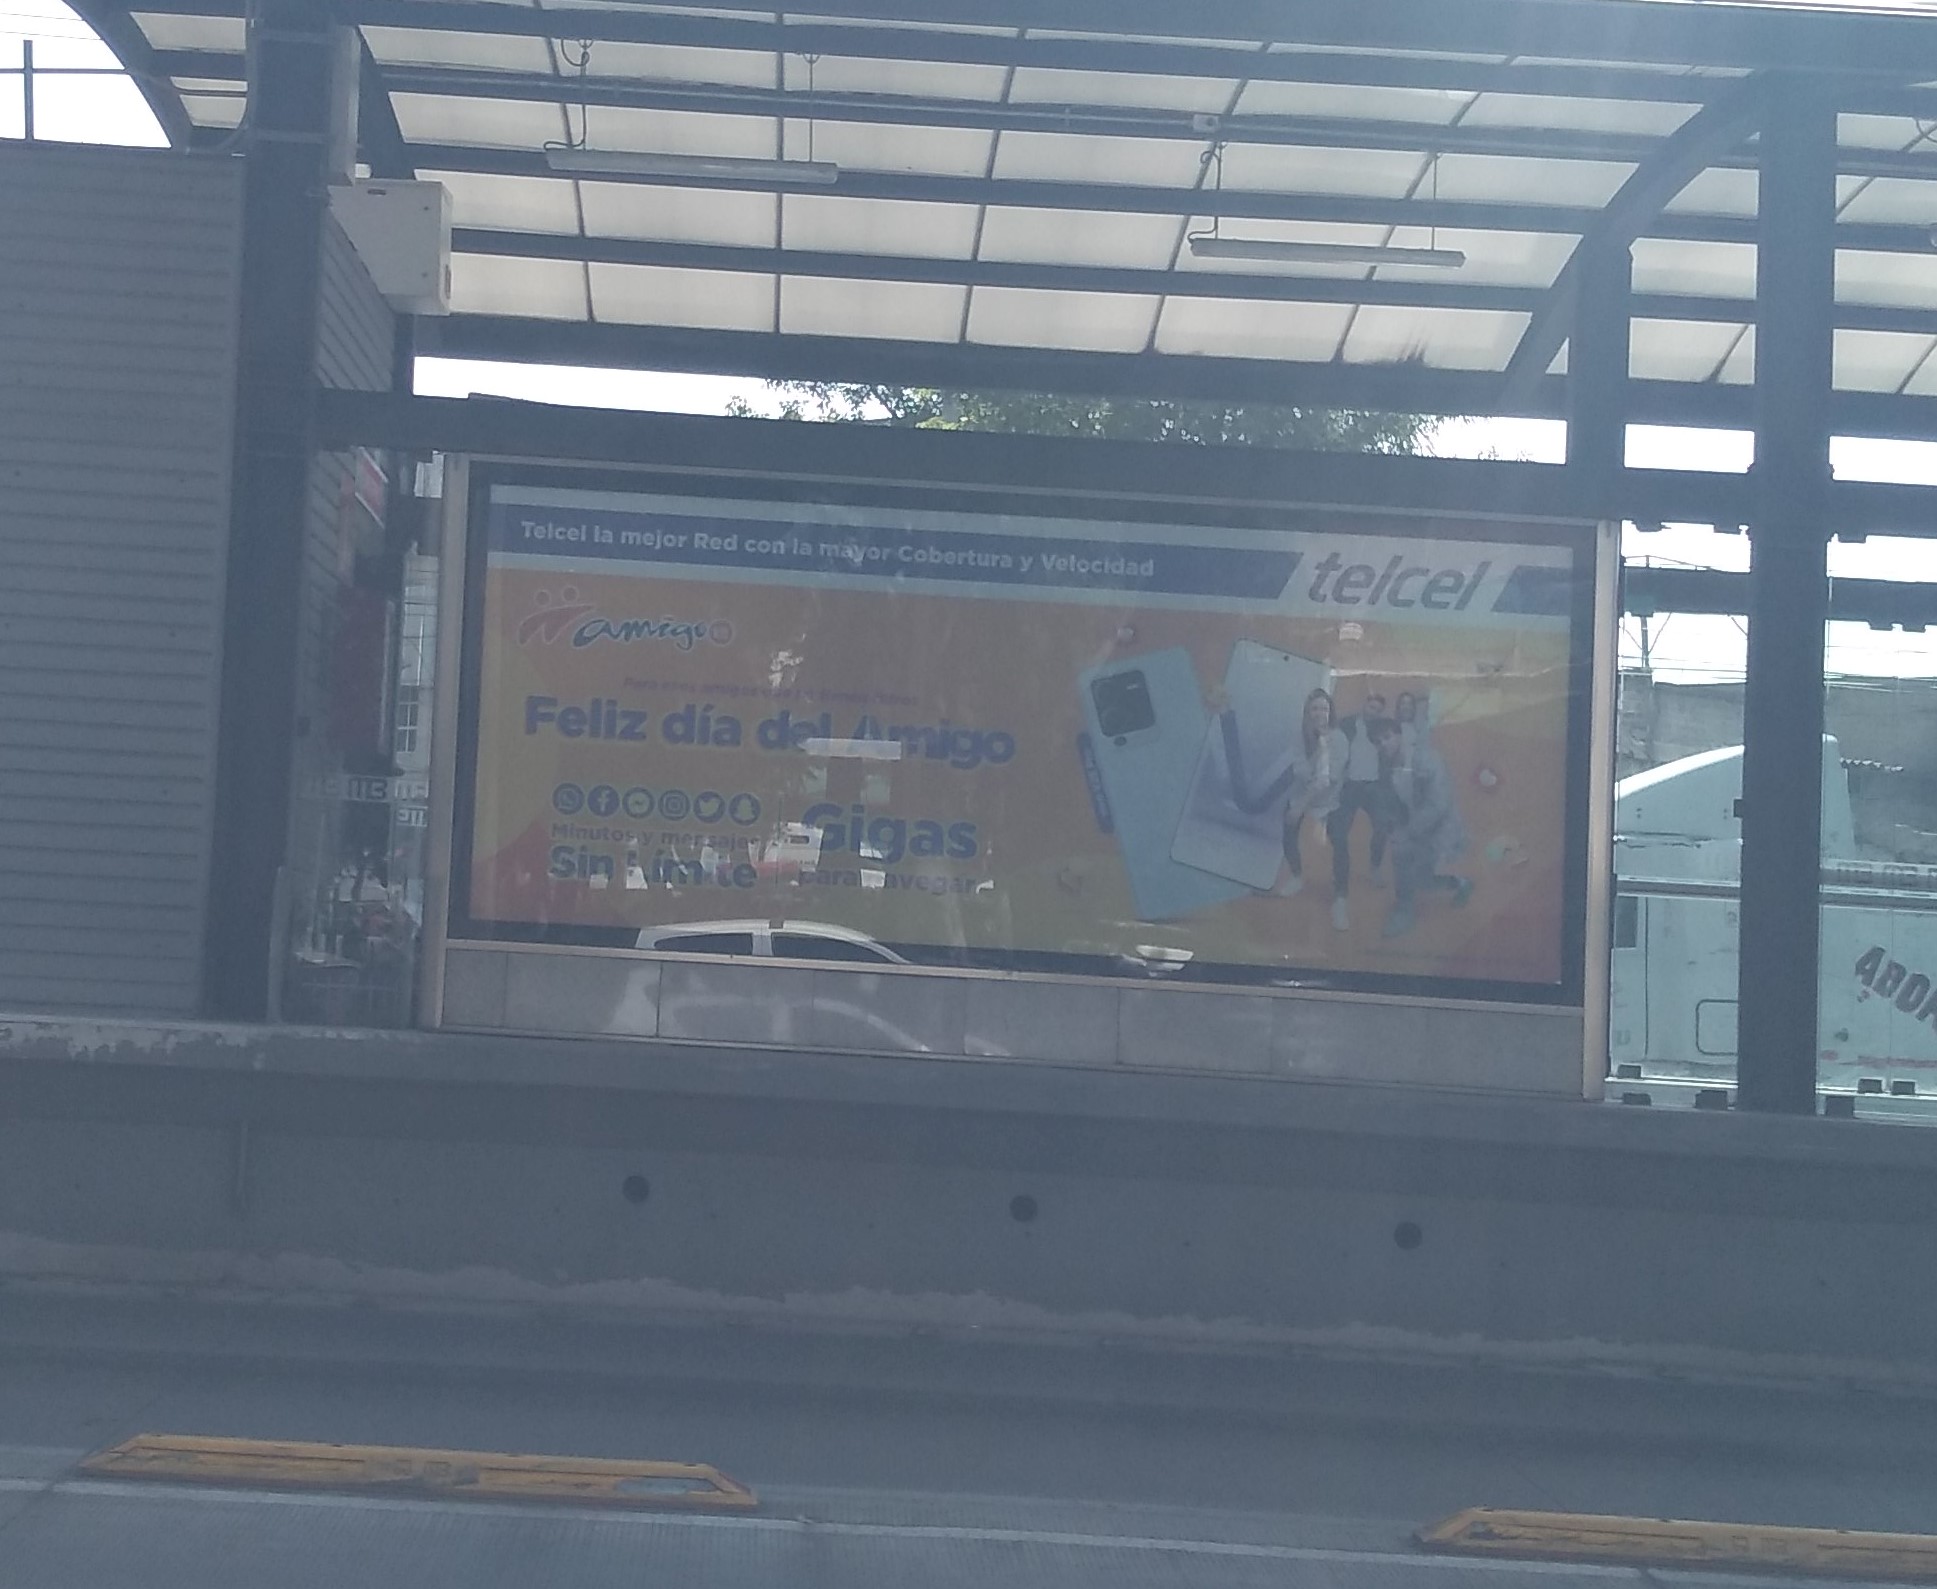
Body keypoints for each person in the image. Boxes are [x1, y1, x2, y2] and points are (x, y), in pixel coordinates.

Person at [1369, 717, 1472, 939]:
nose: (1383, 744)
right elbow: (1388, 802)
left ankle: (1408, 908)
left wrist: (1407, 832)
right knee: (1412, 869)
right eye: (1377, 742)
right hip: (1414, 827)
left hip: (1441, 828)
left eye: (1387, 737)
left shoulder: (1427, 759)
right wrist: (1392, 827)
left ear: (1399, 735)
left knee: (1415, 870)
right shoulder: (1385, 766)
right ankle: (1407, 908)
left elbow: (1439, 804)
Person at [1325, 690, 1402, 930]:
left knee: (1382, 826)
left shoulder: (1382, 731)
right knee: (1339, 836)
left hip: (1374, 787)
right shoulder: (1346, 724)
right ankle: (1340, 895)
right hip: (1349, 786)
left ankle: (1375, 866)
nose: (1373, 712)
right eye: (1371, 706)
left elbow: (1392, 757)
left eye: (1378, 709)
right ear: (1364, 704)